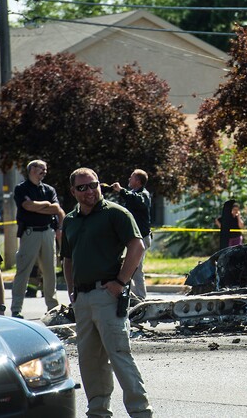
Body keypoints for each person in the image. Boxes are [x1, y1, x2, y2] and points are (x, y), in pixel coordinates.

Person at [62, 167, 152, 417]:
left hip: (108, 296)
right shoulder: (70, 219)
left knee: (120, 356)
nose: (90, 191)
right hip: (82, 299)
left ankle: (141, 412)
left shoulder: (116, 213)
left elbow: (137, 246)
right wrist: (72, 292)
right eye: (82, 187)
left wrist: (121, 282)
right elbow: (68, 260)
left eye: (93, 185)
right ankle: (98, 411)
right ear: (73, 191)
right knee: (90, 361)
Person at [11, 159, 65, 319]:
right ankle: (16, 309)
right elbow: (26, 206)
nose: (44, 171)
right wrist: (45, 206)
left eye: (45, 169)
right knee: (23, 271)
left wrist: (39, 206)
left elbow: (56, 208)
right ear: (32, 169)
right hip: (30, 234)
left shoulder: (48, 189)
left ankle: (52, 310)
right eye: (41, 168)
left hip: (48, 233)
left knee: (50, 272)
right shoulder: (21, 188)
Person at [111, 169, 151, 300]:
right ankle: (132, 296)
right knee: (128, 267)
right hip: (131, 238)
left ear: (138, 181)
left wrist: (121, 190)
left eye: (131, 178)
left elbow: (137, 202)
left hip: (142, 238)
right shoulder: (132, 194)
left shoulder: (143, 195)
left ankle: (140, 298)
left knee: (137, 268)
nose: (129, 180)